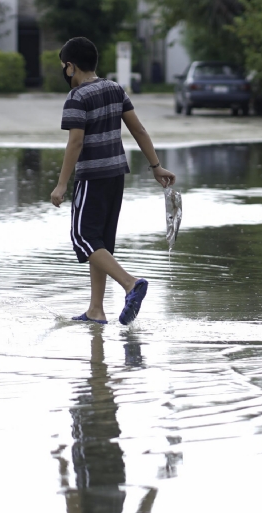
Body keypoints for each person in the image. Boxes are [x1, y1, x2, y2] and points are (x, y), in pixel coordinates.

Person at [49, 37, 176, 324]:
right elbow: (139, 130)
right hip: (116, 176)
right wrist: (156, 167)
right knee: (101, 242)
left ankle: (131, 283)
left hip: (91, 177)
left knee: (83, 238)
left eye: (63, 66)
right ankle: (96, 309)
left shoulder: (77, 97)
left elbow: (75, 143)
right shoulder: (115, 89)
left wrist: (61, 185)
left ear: (70, 67)